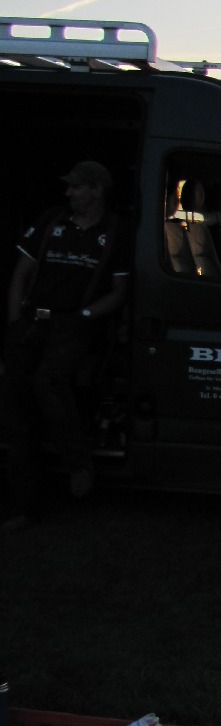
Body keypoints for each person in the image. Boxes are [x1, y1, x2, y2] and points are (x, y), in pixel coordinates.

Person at [3, 161, 129, 519]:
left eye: (76, 187)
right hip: (32, 322)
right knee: (17, 405)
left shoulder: (115, 233)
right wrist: (15, 324)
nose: (69, 193)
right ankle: (22, 506)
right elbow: (20, 276)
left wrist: (84, 316)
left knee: (49, 381)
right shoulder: (51, 223)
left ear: (97, 190)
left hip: (72, 324)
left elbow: (119, 291)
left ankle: (78, 462)